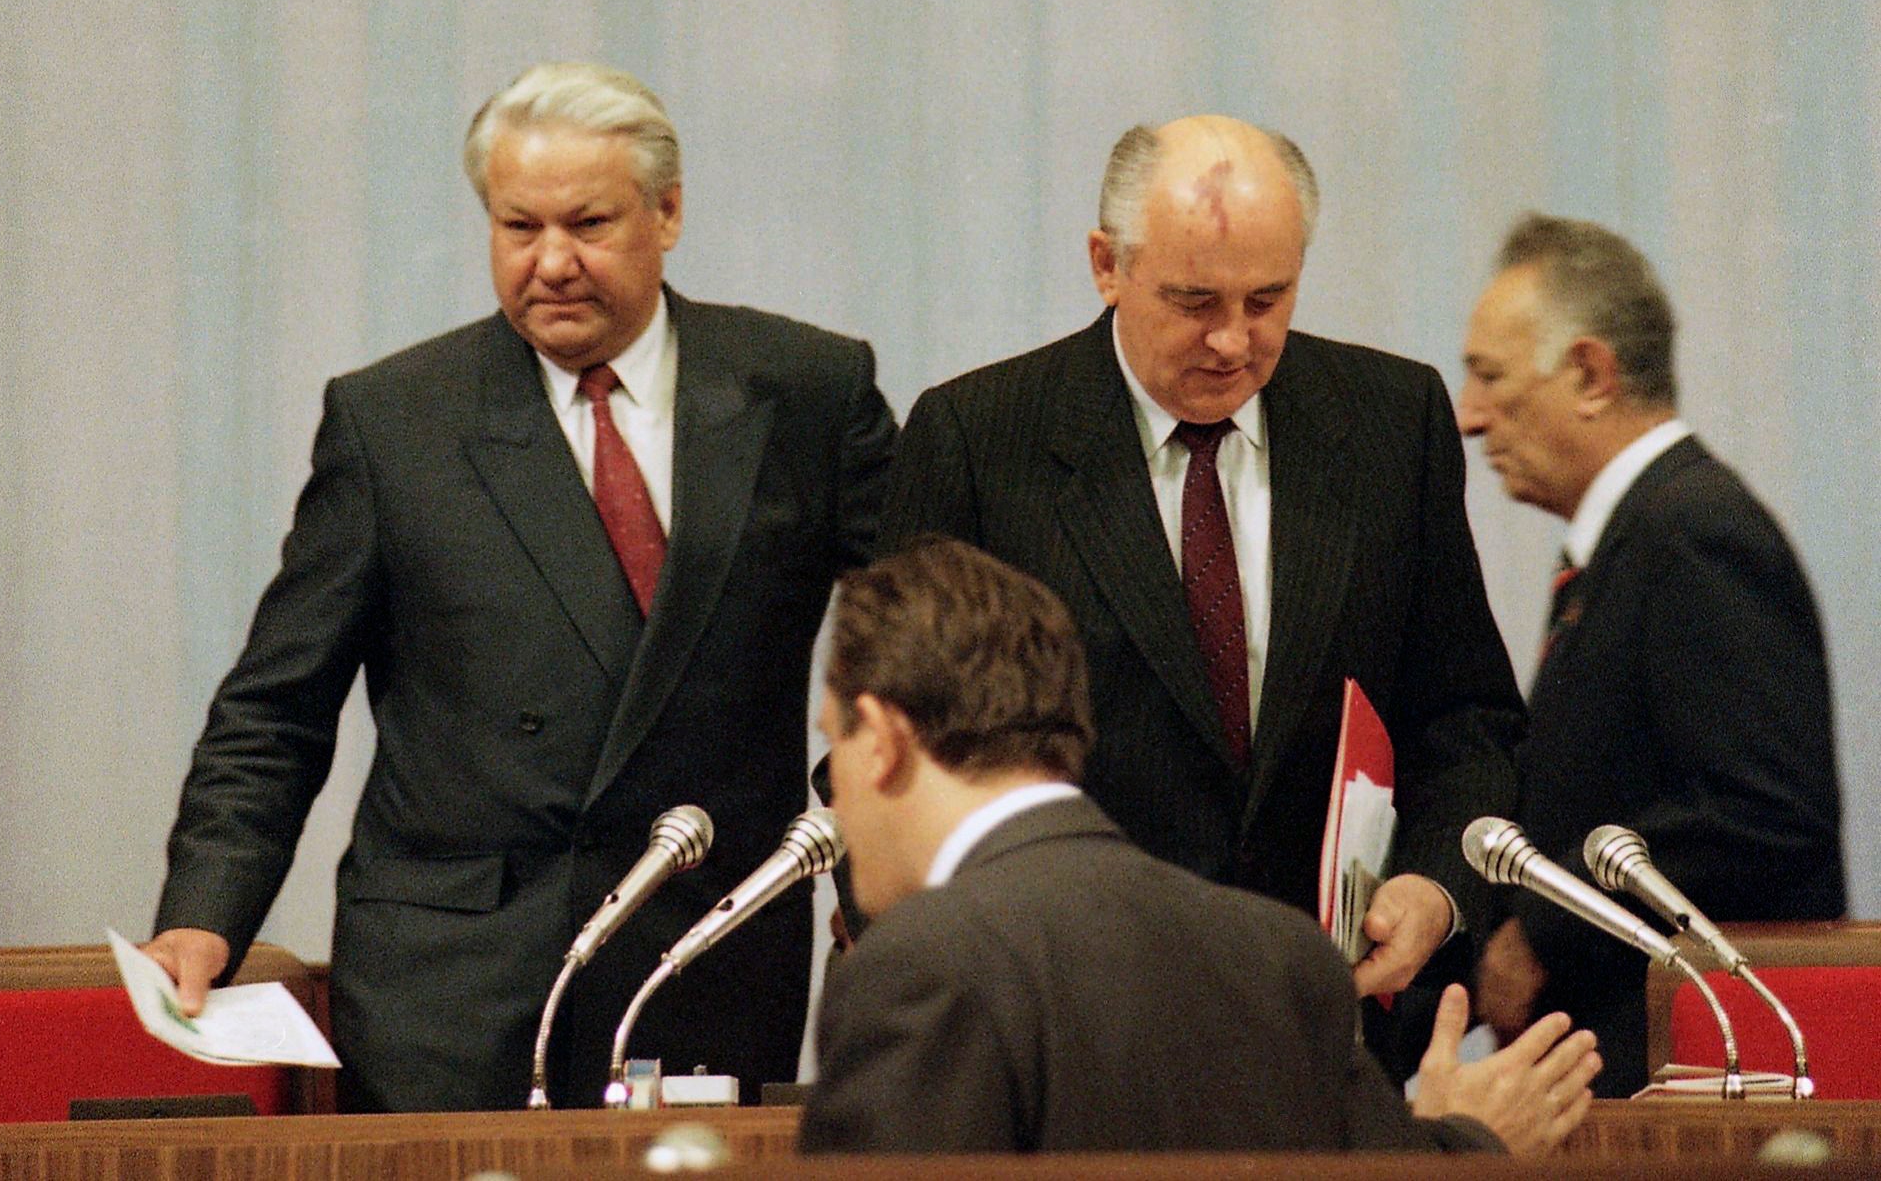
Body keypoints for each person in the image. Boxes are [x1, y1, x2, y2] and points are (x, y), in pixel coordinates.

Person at [144, 61, 897, 1109]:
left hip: (704, 958)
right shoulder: (397, 419)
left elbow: (931, 657)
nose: (552, 263)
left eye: (588, 222)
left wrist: (840, 843)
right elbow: (279, 703)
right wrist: (206, 911)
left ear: (667, 211)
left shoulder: (807, 390)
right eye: (517, 227)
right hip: (450, 989)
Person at [878, 116, 1522, 1018]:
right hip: (1073, 1016)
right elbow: (902, 757)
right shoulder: (979, 442)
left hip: (1325, 1012)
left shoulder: (1391, 423)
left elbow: (1465, 724)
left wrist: (1434, 889)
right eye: (1193, 302)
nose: (1231, 341)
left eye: (1266, 301)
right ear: (1107, 265)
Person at [801, 537, 1598, 1155]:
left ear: (880, 739)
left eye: (830, 741)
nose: (832, 799)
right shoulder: (1282, 956)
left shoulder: (919, 963)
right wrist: (1465, 1143)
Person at [1459, 213, 1844, 1096]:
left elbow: (1764, 816)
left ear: (1589, 374)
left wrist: (1541, 929)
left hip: (1693, 1083)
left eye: (1489, 377)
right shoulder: (1638, 541)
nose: (1471, 416)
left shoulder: (1693, 535)